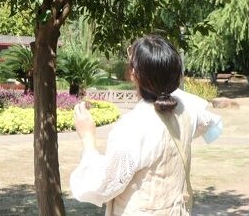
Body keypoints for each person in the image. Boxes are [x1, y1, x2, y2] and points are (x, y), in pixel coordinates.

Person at [69, 34, 223, 215]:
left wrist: (88, 138)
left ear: (134, 75)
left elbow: (101, 186)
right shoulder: (186, 111)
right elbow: (211, 123)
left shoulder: (133, 127)